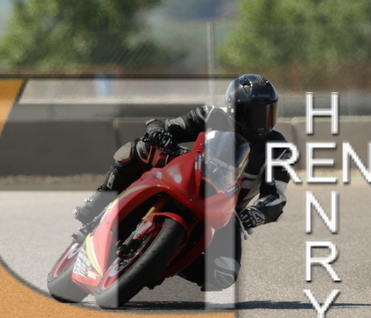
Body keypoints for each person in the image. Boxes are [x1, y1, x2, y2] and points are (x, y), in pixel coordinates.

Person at [73, 74, 291, 290]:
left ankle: (161, 262)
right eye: (253, 114)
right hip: (189, 177)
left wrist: (255, 214)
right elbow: (161, 125)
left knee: (223, 275)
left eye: (268, 113)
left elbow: (276, 198)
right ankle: (98, 202)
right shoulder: (210, 115)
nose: (262, 123)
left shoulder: (279, 148)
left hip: (225, 210)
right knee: (142, 148)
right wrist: (157, 133)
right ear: (233, 109)